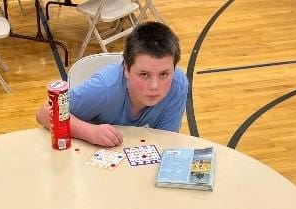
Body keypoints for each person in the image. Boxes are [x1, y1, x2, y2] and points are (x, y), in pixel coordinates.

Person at [35, 22, 189, 147]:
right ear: (126, 69)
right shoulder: (104, 88)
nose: (154, 86)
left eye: (164, 74)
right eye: (144, 75)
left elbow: (165, 141)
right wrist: (89, 132)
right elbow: (44, 113)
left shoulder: (178, 85)